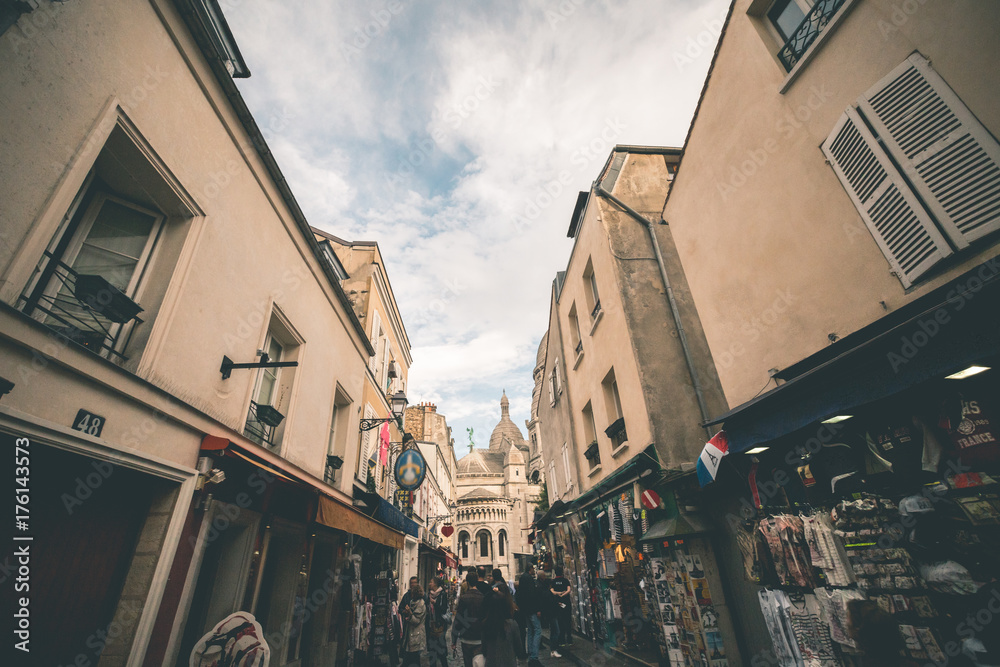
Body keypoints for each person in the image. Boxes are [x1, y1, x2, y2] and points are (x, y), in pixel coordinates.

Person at [482, 580, 527, 666]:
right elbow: (519, 648)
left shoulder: (486, 624)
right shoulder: (511, 624)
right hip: (508, 662)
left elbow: (484, 649)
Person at [452, 569, 487, 667]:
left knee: (468, 663)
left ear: (467, 582)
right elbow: (485, 618)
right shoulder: (482, 598)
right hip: (479, 637)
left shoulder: (463, 598)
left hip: (466, 637)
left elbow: (458, 619)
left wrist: (454, 639)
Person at [516, 564, 542, 667]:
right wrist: (537, 609)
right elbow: (532, 595)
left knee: (531, 631)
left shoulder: (522, 578)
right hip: (531, 609)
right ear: (530, 569)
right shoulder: (529, 579)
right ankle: (534, 656)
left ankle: (531, 652)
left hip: (525, 609)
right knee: (537, 630)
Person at [536, 569, 561, 658]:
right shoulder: (541, 587)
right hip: (550, 611)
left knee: (554, 630)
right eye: (544, 575)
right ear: (542, 577)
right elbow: (545, 600)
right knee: (556, 631)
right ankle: (553, 649)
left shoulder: (541, 586)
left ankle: (553, 649)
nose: (545, 576)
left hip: (550, 611)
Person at [401, 584, 427, 667]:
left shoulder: (420, 604)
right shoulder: (413, 602)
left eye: (412, 593)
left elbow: (416, 620)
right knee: (412, 659)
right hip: (411, 634)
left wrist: (409, 613)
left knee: (412, 658)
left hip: (416, 635)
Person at [427, 576, 450, 667]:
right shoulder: (428, 594)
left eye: (431, 582)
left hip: (440, 625)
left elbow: (443, 610)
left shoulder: (442, 594)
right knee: (432, 650)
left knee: (441, 650)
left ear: (435, 584)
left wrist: (434, 603)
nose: (429, 583)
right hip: (430, 625)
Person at [550, 566, 572, 648]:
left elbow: (551, 591)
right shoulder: (565, 580)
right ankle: (569, 639)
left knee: (560, 621)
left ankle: (562, 640)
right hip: (566, 603)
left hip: (558, 604)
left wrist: (558, 593)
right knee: (568, 621)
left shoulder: (553, 581)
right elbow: (569, 590)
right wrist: (563, 594)